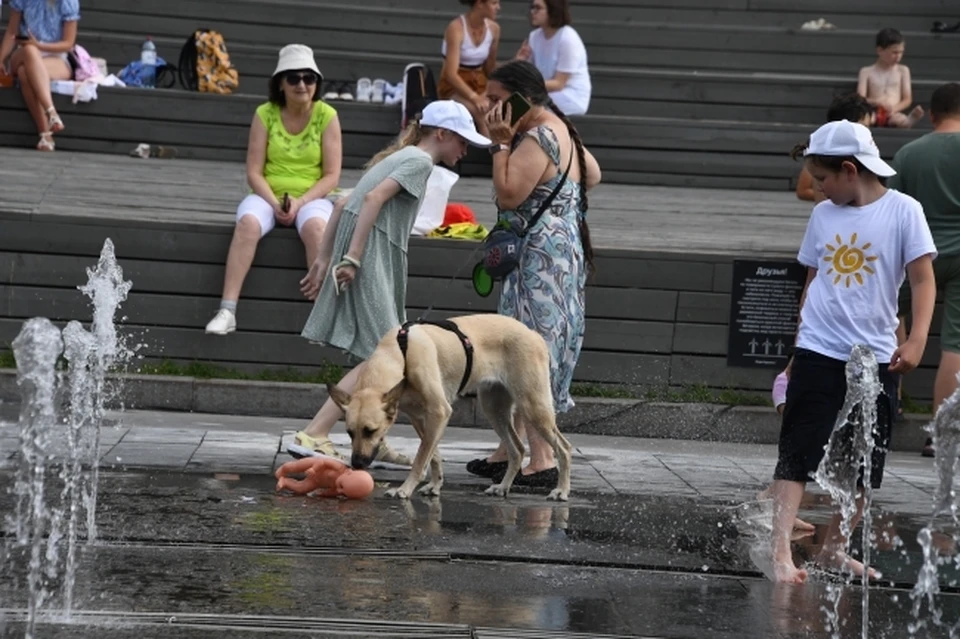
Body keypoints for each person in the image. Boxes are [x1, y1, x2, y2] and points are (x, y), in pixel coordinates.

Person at [770, 120, 936, 584]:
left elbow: (923, 279)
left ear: (849, 170)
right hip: (820, 349)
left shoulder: (904, 211)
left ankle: (833, 549)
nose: (818, 190)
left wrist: (918, 337)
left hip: (875, 356)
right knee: (797, 452)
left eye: (822, 180)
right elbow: (812, 279)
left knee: (864, 463)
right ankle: (781, 550)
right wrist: (796, 346)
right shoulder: (823, 215)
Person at [288, 100, 492, 463]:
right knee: (381, 351)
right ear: (442, 134)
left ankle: (372, 438)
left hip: (365, 250)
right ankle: (314, 434)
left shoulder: (400, 156)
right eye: (462, 141)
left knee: (381, 350)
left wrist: (324, 257)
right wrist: (351, 257)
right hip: (372, 254)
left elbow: (342, 203)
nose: (465, 150)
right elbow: (371, 198)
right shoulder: (419, 162)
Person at [464, 60, 601, 488]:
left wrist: (500, 145)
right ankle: (509, 451)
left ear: (523, 97)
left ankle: (541, 459)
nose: (488, 105)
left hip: (539, 258)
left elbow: (508, 197)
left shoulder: (537, 135)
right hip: (562, 250)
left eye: (497, 99)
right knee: (533, 341)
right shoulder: (561, 127)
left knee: (527, 349)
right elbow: (593, 174)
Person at [205, 44, 342, 335]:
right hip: (268, 193)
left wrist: (301, 201)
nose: (302, 84)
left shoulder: (327, 115)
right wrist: (277, 203)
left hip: (313, 195)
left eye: (309, 77)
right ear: (280, 83)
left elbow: (332, 175)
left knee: (318, 228)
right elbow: (254, 171)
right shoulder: (264, 113)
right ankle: (227, 310)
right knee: (247, 224)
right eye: (293, 78)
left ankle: (324, 317)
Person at [889, 83, 960, 457]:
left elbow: (890, 206)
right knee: (956, 344)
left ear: (932, 115)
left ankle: (890, 402)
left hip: (916, 257)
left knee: (891, 313)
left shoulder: (908, 153)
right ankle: (940, 435)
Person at [0, 0, 79, 151]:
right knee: (30, 51)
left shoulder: (68, 2)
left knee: (25, 73)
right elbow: (11, 32)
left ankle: (45, 135)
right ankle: (51, 111)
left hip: (55, 55)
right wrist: (1, 59)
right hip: (24, 51)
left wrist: (40, 46)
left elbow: (68, 43)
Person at [515, 0, 591, 116]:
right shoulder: (535, 36)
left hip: (570, 95)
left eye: (538, 8)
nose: (532, 12)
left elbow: (559, 83)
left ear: (553, 10)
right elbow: (528, 72)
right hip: (545, 93)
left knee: (526, 106)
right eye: (532, 7)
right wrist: (519, 61)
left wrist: (527, 86)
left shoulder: (568, 38)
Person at [796, 93, 874, 202]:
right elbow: (802, 190)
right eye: (863, 127)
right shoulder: (821, 155)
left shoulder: (865, 156)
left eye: (868, 127)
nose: (868, 132)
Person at [438, 0, 501, 132]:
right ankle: (494, 152)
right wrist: (474, 98)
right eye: (494, 3)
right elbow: (450, 74)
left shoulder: (494, 29)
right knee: (482, 113)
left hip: (480, 83)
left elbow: (490, 69)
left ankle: (507, 149)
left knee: (500, 110)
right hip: (454, 87)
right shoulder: (456, 28)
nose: (498, 8)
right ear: (479, 3)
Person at [856, 28, 924, 129]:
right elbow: (860, 98)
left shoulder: (903, 70)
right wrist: (877, 102)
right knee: (864, 119)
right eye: (894, 52)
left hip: (893, 111)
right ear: (880, 50)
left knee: (899, 120)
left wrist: (893, 109)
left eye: (901, 52)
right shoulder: (866, 72)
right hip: (873, 111)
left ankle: (908, 121)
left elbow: (907, 99)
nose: (898, 57)